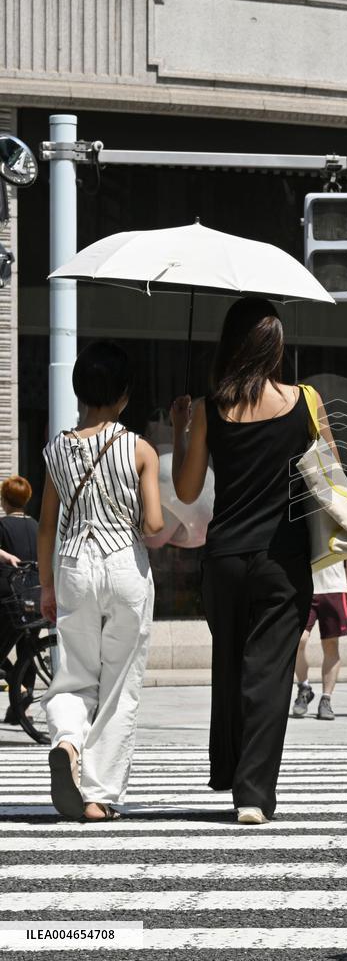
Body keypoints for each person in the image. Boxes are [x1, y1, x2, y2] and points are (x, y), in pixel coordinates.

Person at [172, 297, 331, 824]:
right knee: (268, 672)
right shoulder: (305, 400)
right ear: (275, 346)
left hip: (223, 556)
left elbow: (188, 488)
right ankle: (252, 794)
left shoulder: (207, 407)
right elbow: (330, 477)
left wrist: (182, 430)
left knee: (232, 665)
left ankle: (231, 770)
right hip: (281, 557)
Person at [37, 340, 163, 821]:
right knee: (118, 684)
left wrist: (47, 587)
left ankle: (67, 744)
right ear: (125, 394)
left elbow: (46, 525)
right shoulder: (140, 449)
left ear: (78, 391)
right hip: (123, 565)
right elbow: (151, 527)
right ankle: (98, 796)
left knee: (73, 673)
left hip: (72, 565)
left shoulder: (56, 450)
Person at [291, 557, 347, 721]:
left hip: (334, 588)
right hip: (305, 587)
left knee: (331, 645)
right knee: (298, 641)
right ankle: (304, 687)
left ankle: (326, 699)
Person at [0, 476, 40, 724]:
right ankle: (18, 710)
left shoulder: (2, 525)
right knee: (28, 652)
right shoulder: (36, 525)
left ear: (4, 500)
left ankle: (20, 692)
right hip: (33, 596)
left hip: (6, 597)